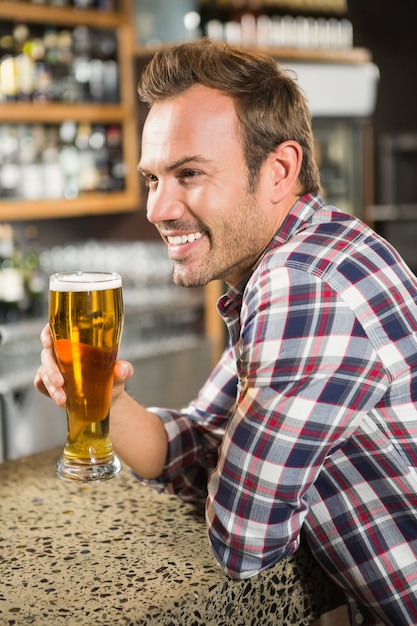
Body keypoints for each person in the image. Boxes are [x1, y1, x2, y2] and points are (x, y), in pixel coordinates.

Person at [34, 39, 417, 626]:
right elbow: (200, 437)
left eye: (189, 173)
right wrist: (106, 396)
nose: (157, 209)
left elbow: (243, 543)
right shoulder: (300, 256)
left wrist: (229, 466)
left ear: (279, 170)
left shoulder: (302, 284)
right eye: (152, 179)